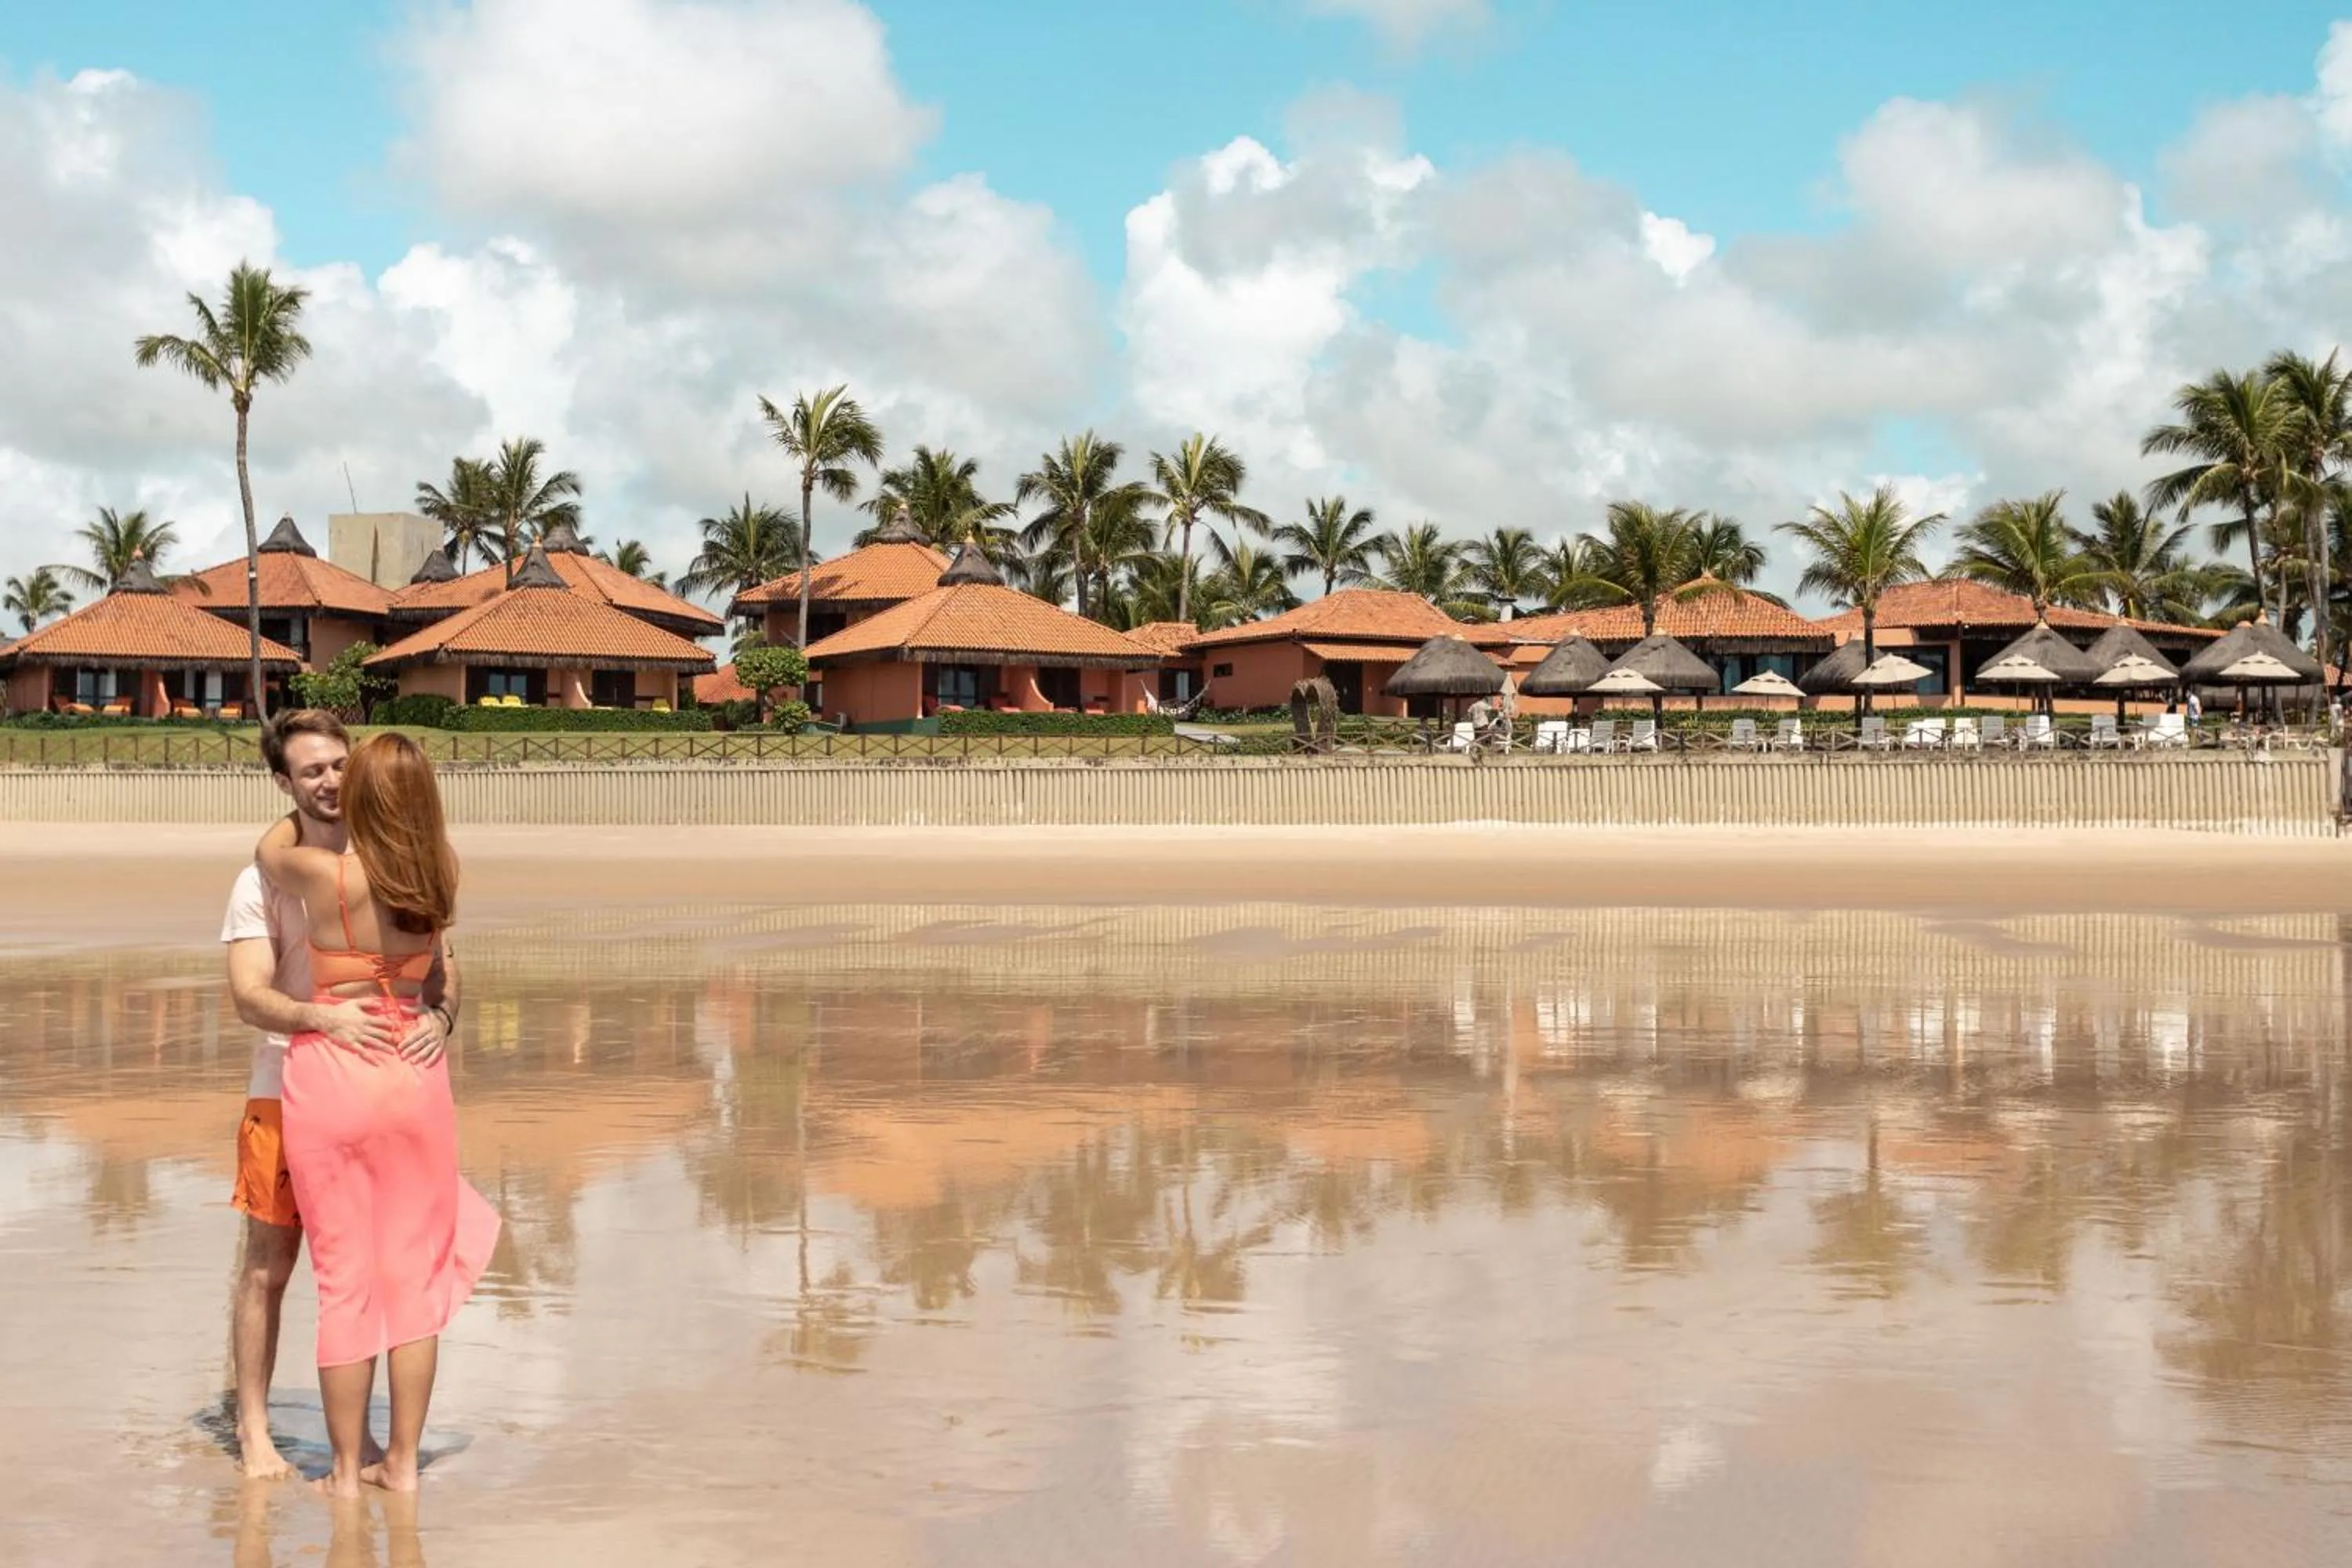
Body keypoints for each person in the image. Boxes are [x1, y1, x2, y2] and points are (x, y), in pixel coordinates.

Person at [258, 731, 498, 1498]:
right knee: (415, 1282)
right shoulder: (440, 869)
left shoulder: (326, 875)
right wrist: (441, 1016)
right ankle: (401, 1463)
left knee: (344, 1280)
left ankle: (344, 1473)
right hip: (414, 1071)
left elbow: (268, 849)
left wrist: (301, 792)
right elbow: (444, 975)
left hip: (335, 1070)